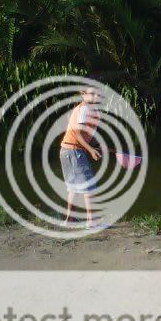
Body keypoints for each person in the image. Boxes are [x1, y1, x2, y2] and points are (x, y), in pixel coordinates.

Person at [60, 86, 101, 228]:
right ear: (83, 95)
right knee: (88, 186)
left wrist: (96, 144)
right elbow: (78, 133)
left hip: (66, 150)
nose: (96, 96)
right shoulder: (85, 109)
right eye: (92, 94)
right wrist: (90, 150)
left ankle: (69, 221)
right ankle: (92, 222)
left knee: (74, 188)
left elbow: (86, 134)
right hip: (74, 151)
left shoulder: (88, 110)